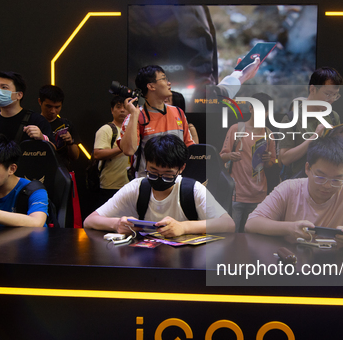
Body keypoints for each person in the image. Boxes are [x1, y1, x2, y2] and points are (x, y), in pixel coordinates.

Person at [246, 135, 343, 246]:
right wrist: (290, 228)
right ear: (308, 168)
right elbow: (252, 223)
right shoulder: (289, 188)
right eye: (321, 177)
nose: (328, 186)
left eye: (337, 179)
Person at [84, 134, 235, 237]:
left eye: (168, 174)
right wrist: (116, 224)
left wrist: (183, 227)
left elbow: (228, 224)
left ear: (181, 168)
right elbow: (90, 221)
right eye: (153, 172)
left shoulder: (193, 190)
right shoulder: (136, 188)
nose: (160, 179)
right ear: (146, 164)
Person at [118, 65, 195, 178]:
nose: (169, 83)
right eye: (164, 78)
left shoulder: (178, 112)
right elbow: (129, 150)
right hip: (147, 182)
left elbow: (189, 146)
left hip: (175, 181)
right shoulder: (136, 116)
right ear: (151, 86)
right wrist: (134, 115)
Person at [220, 92, 276, 232]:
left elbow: (272, 164)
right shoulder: (236, 129)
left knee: (253, 237)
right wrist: (230, 156)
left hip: (259, 195)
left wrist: (269, 160)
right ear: (251, 108)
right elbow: (221, 156)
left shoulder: (269, 134)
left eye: (266, 111)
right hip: (236, 194)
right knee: (231, 234)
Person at [278, 66, 343, 179]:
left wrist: (339, 139)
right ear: (313, 89)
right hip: (300, 185)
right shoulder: (291, 119)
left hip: (326, 183)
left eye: (335, 95)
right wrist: (313, 138)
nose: (331, 99)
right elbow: (285, 159)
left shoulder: (333, 117)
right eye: (328, 94)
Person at [93, 94, 130, 205]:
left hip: (130, 184)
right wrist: (122, 148)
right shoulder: (106, 129)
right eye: (118, 107)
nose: (122, 110)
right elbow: (97, 154)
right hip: (111, 185)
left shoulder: (132, 130)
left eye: (125, 107)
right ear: (112, 110)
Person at [38, 84, 80, 168]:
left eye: (57, 107)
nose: (53, 111)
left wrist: (70, 142)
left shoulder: (67, 125)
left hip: (60, 172)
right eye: (48, 106)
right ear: (40, 102)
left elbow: (75, 157)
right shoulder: (32, 123)